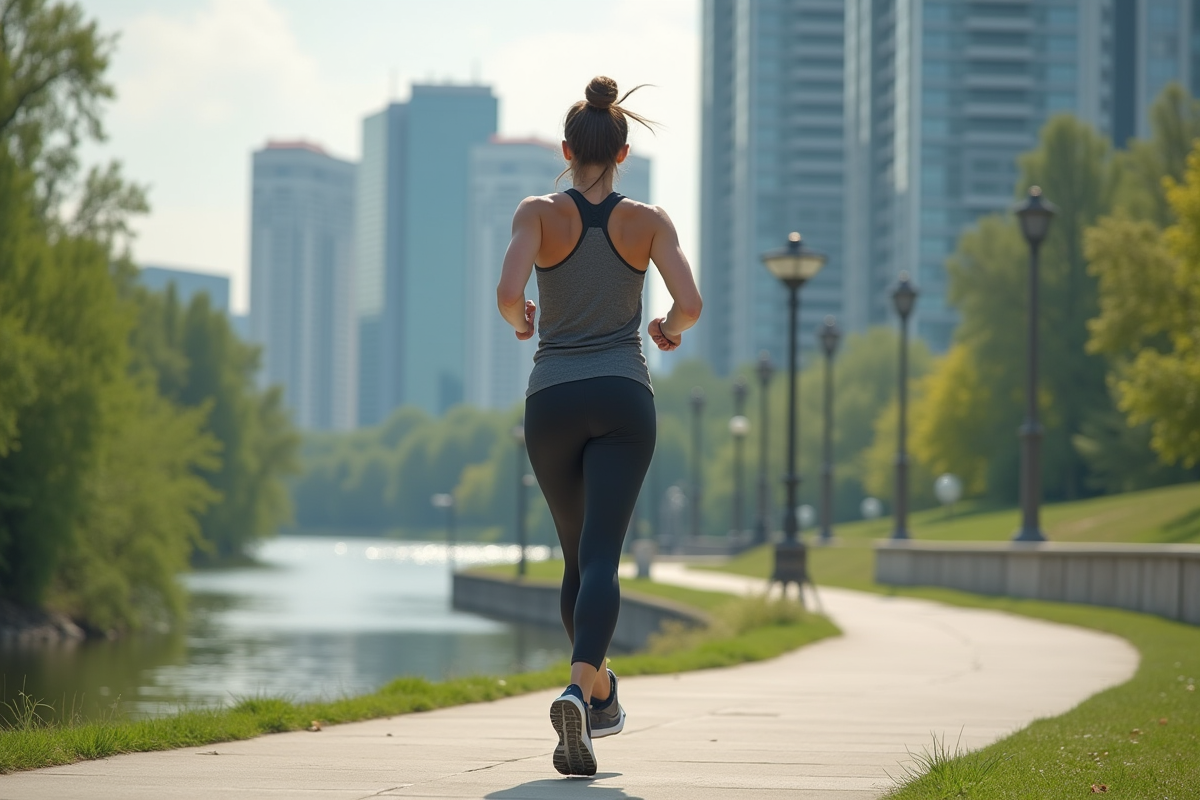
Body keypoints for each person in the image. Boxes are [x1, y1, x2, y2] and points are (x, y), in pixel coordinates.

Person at [495, 75, 702, 777]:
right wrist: (667, 329)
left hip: (551, 400)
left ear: (565, 149)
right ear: (622, 154)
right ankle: (586, 692)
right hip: (621, 397)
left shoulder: (536, 212)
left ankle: (598, 693)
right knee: (602, 559)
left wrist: (521, 317)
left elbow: (506, 292)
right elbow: (691, 303)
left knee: (577, 557)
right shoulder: (646, 221)